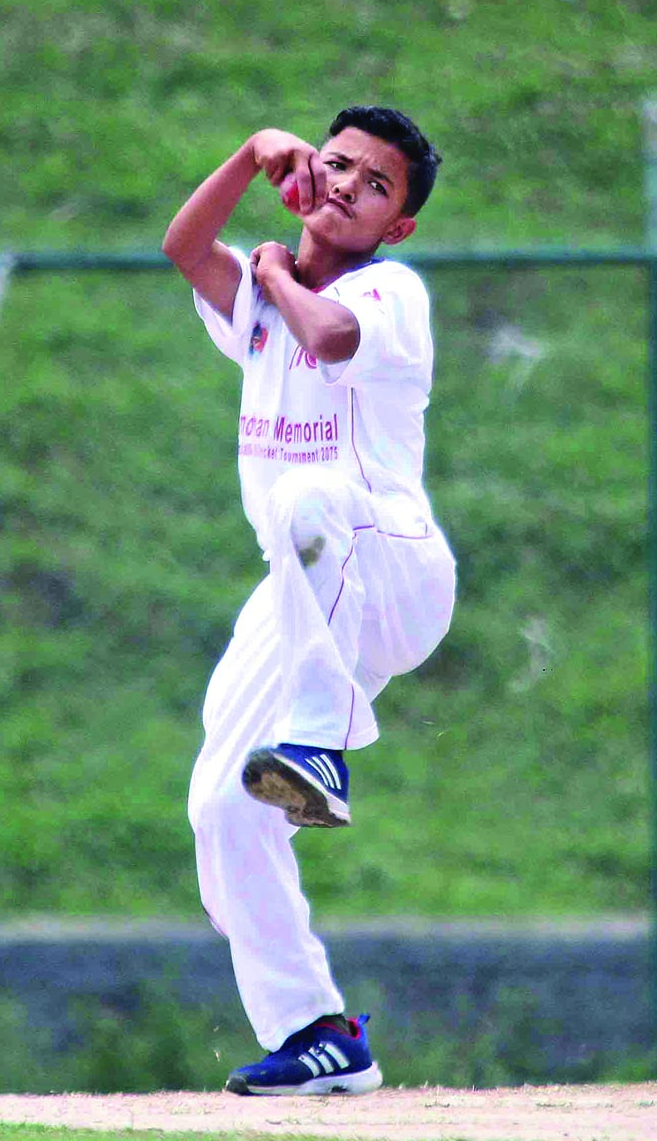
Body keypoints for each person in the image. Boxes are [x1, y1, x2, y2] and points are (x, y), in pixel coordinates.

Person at [162, 106, 456, 1096]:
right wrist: (250, 152)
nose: (346, 186)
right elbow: (183, 244)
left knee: (307, 494)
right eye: (336, 164)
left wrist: (279, 271)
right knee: (220, 808)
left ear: (396, 225)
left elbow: (329, 337)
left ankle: (318, 747)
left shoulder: (389, 290)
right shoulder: (253, 292)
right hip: (305, 578)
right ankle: (319, 1032)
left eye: (375, 186)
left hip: (394, 573)